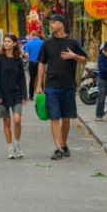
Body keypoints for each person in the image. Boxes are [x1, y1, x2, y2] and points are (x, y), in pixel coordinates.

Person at [35, 15, 87, 160]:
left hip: (69, 86)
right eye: (50, 22)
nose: (50, 25)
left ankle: (64, 144)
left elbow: (84, 60)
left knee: (66, 119)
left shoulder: (73, 42)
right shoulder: (47, 44)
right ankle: (58, 148)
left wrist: (73, 55)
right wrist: (39, 85)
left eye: (53, 22)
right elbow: (41, 64)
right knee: (54, 117)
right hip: (51, 86)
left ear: (62, 24)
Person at [0, 34, 28, 159]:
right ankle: (10, 148)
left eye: (9, 41)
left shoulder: (18, 59)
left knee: (17, 120)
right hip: (2, 94)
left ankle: (17, 145)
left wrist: (25, 94)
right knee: (6, 121)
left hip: (17, 94)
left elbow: (22, 78)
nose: (6, 43)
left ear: (14, 44)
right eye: (5, 41)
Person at [24, 32, 44, 101]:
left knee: (32, 79)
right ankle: (41, 94)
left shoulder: (29, 43)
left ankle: (31, 95)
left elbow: (26, 54)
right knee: (40, 78)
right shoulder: (42, 42)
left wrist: (28, 61)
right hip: (40, 63)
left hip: (32, 63)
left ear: (31, 35)